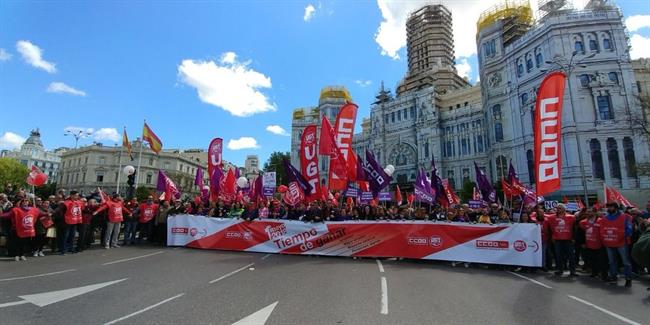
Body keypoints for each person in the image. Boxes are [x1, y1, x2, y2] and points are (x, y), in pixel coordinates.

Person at [598, 202, 633, 287]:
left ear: (616, 208)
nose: (609, 209)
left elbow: (629, 229)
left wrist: (620, 236)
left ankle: (628, 278)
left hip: (621, 243)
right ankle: (614, 276)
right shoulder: (605, 217)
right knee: (611, 261)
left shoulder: (625, 216)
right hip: (609, 242)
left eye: (611, 207)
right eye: (608, 207)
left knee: (625, 262)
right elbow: (602, 229)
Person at [546, 203, 577, 276]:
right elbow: (549, 228)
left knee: (571, 256)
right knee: (559, 256)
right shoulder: (551, 217)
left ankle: (573, 271)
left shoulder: (571, 217)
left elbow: (575, 228)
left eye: (560, 208)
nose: (558, 209)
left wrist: (574, 238)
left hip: (568, 240)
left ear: (564, 209)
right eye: (557, 208)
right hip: (557, 240)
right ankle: (560, 270)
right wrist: (551, 237)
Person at [579, 207, 607, 280]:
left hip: (600, 245)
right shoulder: (583, 222)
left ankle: (603, 274)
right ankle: (594, 272)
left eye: (590, 212)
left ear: (595, 213)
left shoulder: (601, 221)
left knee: (601, 260)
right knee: (592, 259)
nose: (588, 213)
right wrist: (582, 242)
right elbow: (581, 233)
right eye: (587, 212)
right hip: (589, 244)